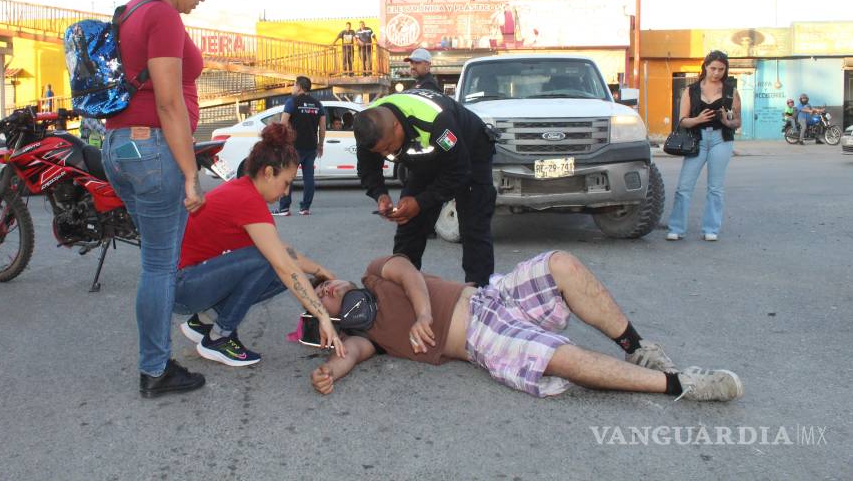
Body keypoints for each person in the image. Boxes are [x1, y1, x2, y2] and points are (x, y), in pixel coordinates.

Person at [307, 251, 743, 402]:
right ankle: (677, 383)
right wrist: (331, 370)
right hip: (482, 337)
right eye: (321, 297)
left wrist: (423, 314)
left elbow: (408, 272)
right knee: (559, 358)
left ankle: (636, 345)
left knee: (561, 264)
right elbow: (352, 355)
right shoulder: (363, 335)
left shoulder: (372, 273)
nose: (329, 291)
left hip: (492, 296)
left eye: (327, 284)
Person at [101, 0, 210, 399]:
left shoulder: (130, 10)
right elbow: (168, 101)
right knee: (160, 266)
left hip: (118, 146)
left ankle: (155, 363)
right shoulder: (163, 14)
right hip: (151, 149)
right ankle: (155, 370)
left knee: (155, 260)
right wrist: (190, 174)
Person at [176, 123, 346, 366]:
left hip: (189, 279)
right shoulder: (247, 200)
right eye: (286, 183)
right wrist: (323, 317)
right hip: (181, 287)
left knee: (274, 267)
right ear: (268, 172)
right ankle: (219, 337)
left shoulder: (244, 191)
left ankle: (204, 320)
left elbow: (282, 251)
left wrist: (318, 270)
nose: (286, 192)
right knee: (272, 264)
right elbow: (282, 263)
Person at [354, 88, 497, 286]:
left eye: (388, 147)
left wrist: (421, 202)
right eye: (381, 151)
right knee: (408, 224)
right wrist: (380, 195)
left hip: (470, 154)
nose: (386, 153)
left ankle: (480, 293)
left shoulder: (436, 120)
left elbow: (459, 171)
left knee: (473, 226)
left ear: (396, 127)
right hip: (428, 159)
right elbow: (368, 168)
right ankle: (401, 287)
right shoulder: (369, 128)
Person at [666, 50, 741, 242]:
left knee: (715, 187)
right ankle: (676, 228)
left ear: (725, 70)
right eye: (713, 68)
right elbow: (682, 121)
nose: (716, 73)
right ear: (705, 67)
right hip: (696, 139)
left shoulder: (731, 91)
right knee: (684, 186)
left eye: (721, 69)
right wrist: (698, 119)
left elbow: (737, 122)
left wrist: (727, 121)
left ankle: (711, 229)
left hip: (721, 139)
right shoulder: (691, 90)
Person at [273, 76, 325, 216]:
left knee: (287, 176)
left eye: (294, 85)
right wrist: (320, 145)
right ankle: (305, 208)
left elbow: (282, 125)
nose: (292, 87)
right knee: (309, 177)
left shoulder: (292, 102)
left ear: (300, 87)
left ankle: (284, 208)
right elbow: (322, 127)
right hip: (311, 147)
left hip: (293, 147)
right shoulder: (318, 104)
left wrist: (280, 143)